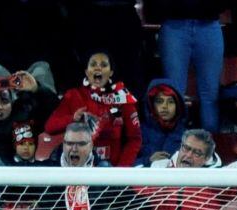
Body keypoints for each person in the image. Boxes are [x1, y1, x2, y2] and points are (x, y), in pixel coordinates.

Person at [44, 51, 142, 167]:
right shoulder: (73, 95)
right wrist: (73, 119)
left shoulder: (123, 99)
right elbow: (50, 127)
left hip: (110, 170)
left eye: (103, 65)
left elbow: (135, 139)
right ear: (86, 71)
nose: (98, 68)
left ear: (111, 72)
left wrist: (121, 171)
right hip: (77, 166)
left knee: (105, 165)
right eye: (93, 64)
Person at [153, 2, 226, 134]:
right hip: (173, 25)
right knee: (173, 94)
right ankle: (173, 148)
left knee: (210, 95)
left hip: (209, 25)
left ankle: (211, 148)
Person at [136, 79, 189, 166]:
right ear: (151, 105)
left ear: (178, 106)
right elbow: (124, 165)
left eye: (171, 102)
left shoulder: (188, 136)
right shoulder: (138, 133)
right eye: (159, 102)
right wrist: (148, 160)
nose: (165, 106)